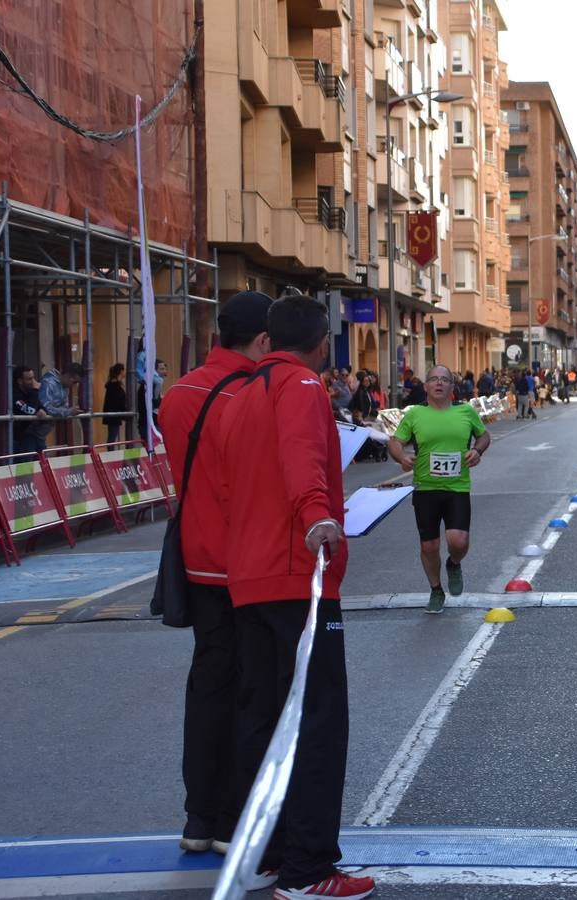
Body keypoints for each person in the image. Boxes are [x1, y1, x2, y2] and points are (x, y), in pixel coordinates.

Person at [219, 294, 374, 900]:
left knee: (259, 718)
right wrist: (318, 516)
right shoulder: (303, 385)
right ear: (321, 342)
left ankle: (267, 854)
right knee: (317, 724)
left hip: (248, 577)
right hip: (296, 574)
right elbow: (302, 456)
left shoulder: (238, 396)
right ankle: (309, 871)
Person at [158, 291, 273, 878]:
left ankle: (199, 818)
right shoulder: (253, 394)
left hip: (196, 556)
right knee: (250, 689)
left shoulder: (177, 393)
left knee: (207, 682)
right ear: (260, 341)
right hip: (246, 560)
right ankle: (232, 819)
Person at [388, 365, 491, 613]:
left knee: (458, 540)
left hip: (457, 486)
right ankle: (436, 590)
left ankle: (454, 563)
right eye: (433, 379)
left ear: (451, 387)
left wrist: (477, 450)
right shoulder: (414, 415)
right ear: (426, 386)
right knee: (429, 546)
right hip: (425, 488)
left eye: (444, 380)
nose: (439, 383)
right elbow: (394, 442)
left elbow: (484, 435)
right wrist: (401, 456)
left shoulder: (466, 411)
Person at [31, 362, 84, 450]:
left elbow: (63, 406)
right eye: (74, 382)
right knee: (31, 459)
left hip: (41, 432)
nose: (74, 385)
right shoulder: (48, 383)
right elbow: (46, 408)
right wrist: (68, 412)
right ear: (67, 375)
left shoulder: (64, 387)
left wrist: (66, 411)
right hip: (33, 431)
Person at [103, 363, 128, 443]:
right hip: (114, 415)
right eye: (124, 370)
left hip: (115, 414)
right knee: (112, 436)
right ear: (121, 371)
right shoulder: (115, 385)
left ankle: (110, 452)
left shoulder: (113, 385)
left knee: (112, 435)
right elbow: (118, 400)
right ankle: (110, 453)